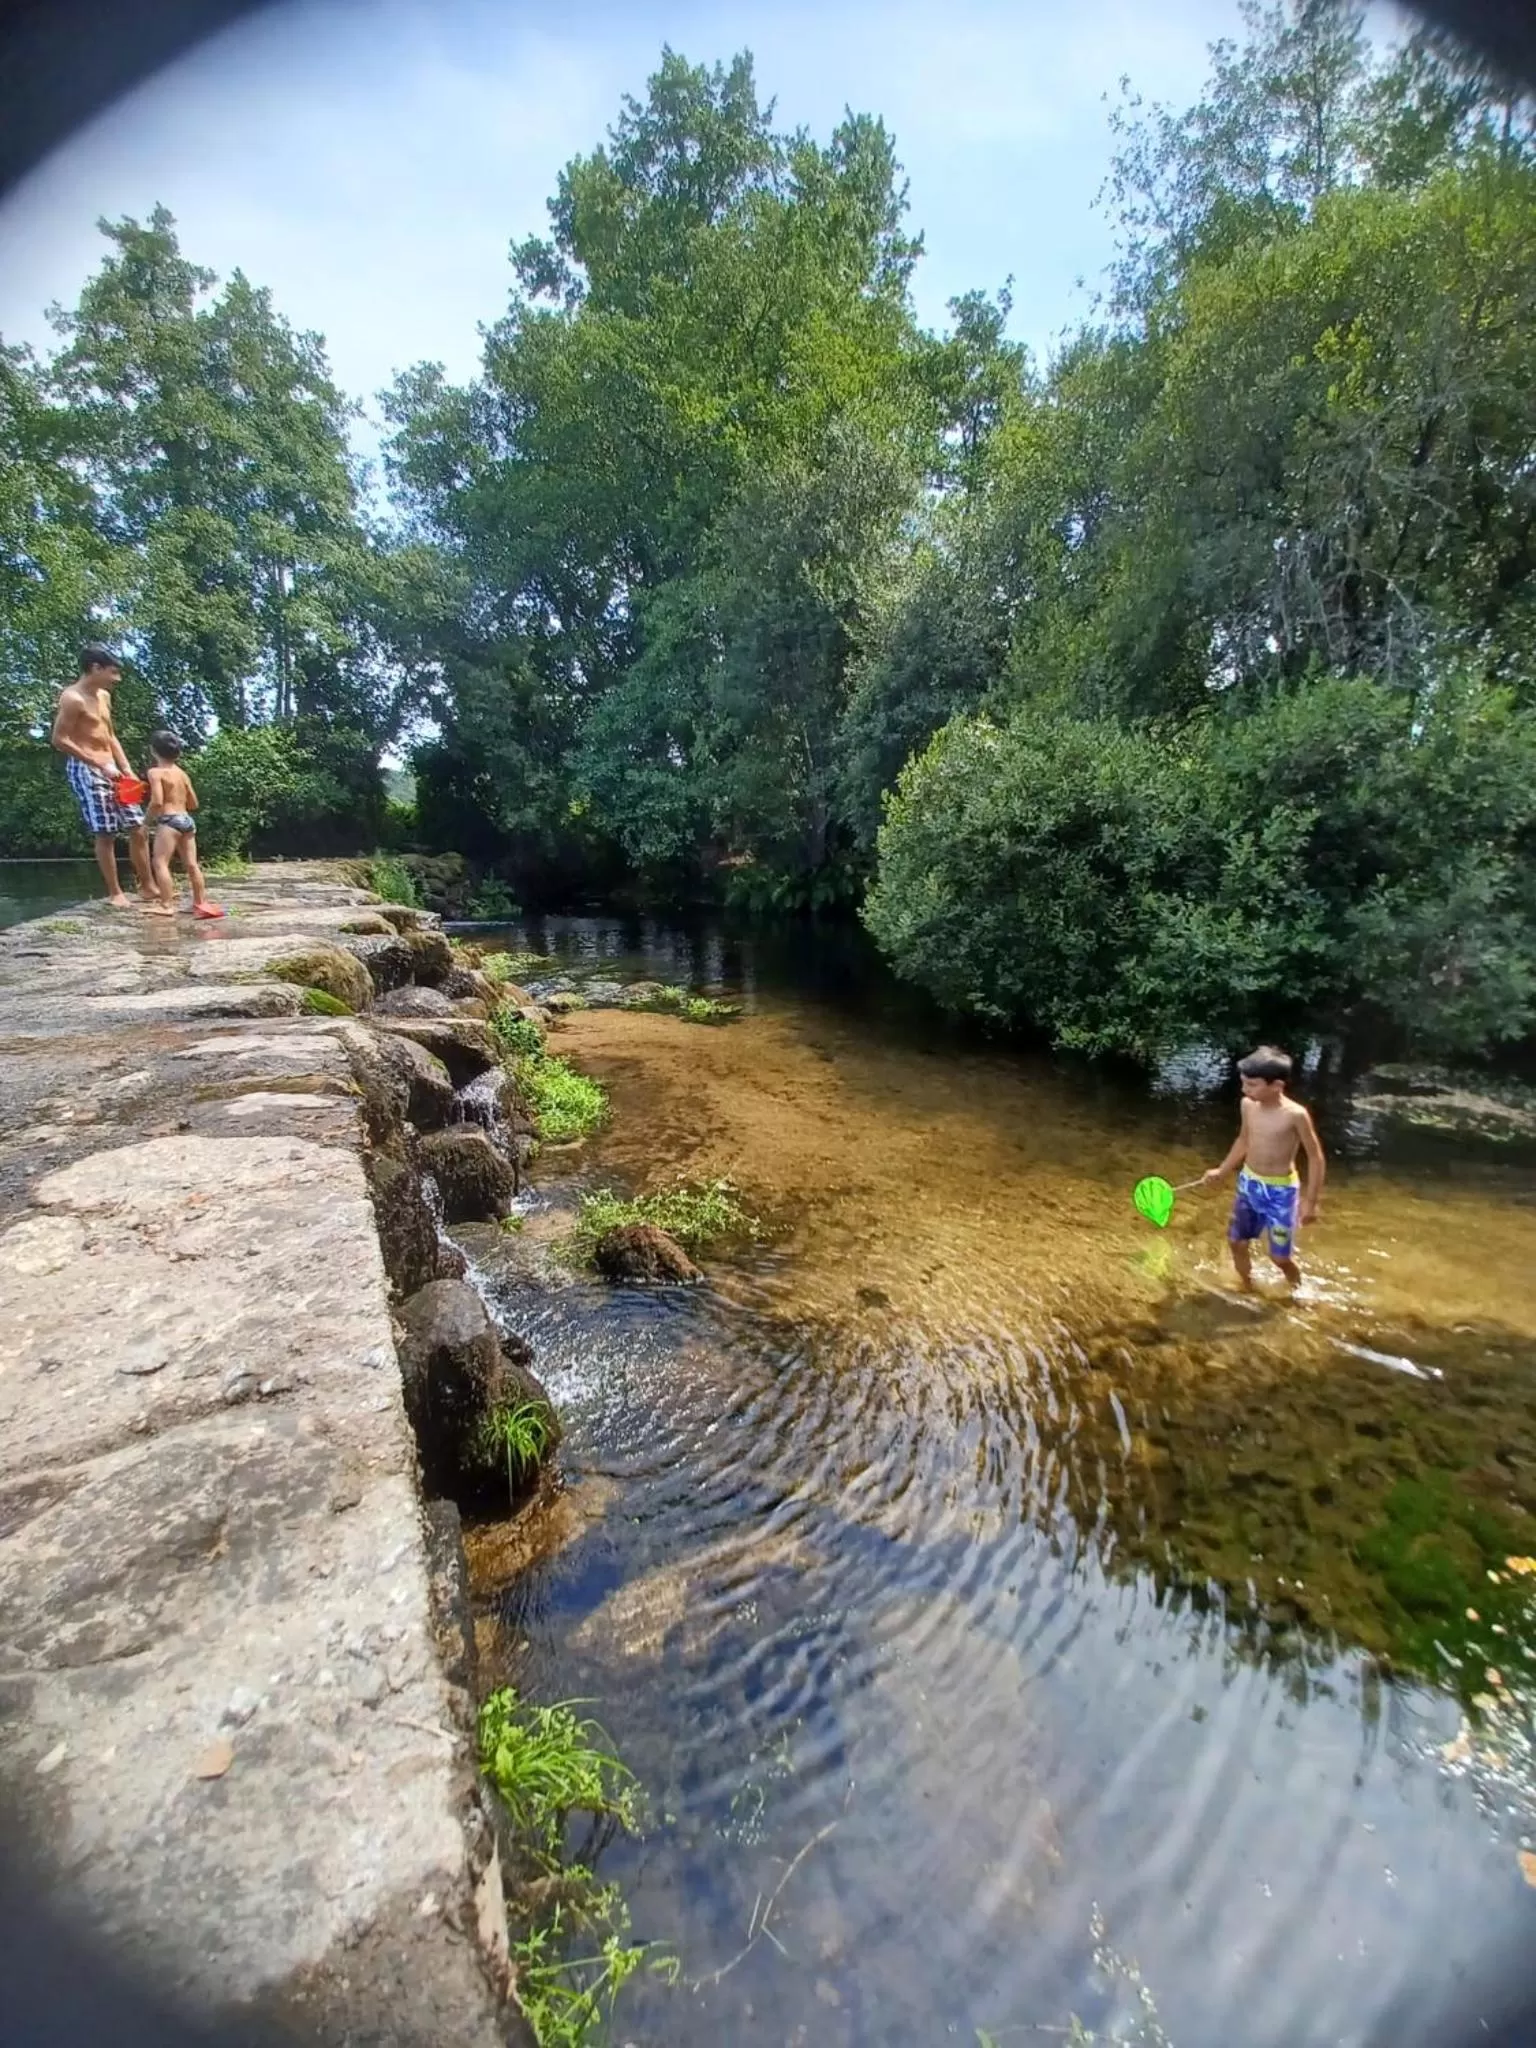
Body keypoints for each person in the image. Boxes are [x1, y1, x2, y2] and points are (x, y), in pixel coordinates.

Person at [1201, 1045, 1325, 1291]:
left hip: (1281, 1192)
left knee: (1279, 1257)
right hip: (1249, 1185)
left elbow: (1315, 1157)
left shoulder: (1295, 1115)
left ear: (1277, 1086)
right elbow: (1244, 1140)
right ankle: (1247, 1286)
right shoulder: (1248, 1105)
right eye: (1244, 1083)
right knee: (1236, 1242)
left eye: (1252, 1084)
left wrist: (1310, 1201)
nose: (1245, 1090)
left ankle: (1296, 1290)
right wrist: (1222, 1170)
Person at [49, 643, 155, 907]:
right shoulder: (72, 698)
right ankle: (115, 892)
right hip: (87, 768)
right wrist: (96, 762)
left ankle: (148, 886)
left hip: (113, 767)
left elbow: (109, 735)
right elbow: (59, 739)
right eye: (112, 672)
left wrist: (125, 766)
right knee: (105, 831)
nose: (116, 679)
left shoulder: (103, 697)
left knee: (137, 826)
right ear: (95, 668)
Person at [144, 729, 224, 919]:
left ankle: (166, 905)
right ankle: (200, 903)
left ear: (153, 751)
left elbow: (156, 801)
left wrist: (145, 822)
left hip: (169, 821)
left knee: (160, 862)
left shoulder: (155, 772)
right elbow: (194, 803)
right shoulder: (182, 774)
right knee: (191, 864)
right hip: (186, 819)